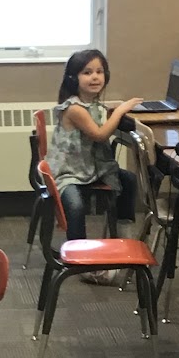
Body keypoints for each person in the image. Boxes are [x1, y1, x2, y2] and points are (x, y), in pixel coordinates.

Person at [45, 48, 141, 242]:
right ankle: (78, 250)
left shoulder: (93, 104)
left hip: (90, 168)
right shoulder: (74, 108)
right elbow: (100, 135)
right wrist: (119, 112)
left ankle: (122, 234)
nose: (95, 77)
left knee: (129, 180)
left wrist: (113, 112)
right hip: (69, 172)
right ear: (73, 78)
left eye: (99, 71)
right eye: (87, 73)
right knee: (76, 206)